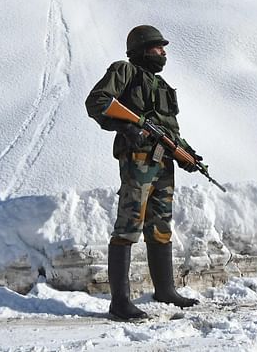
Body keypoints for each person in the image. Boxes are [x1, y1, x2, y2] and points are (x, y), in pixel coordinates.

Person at [85, 25, 201, 321]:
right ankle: (119, 302)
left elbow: (171, 131)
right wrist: (126, 127)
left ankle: (165, 291)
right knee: (129, 223)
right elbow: (97, 101)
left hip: (163, 162)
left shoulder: (161, 86)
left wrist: (188, 155)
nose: (163, 53)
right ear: (140, 50)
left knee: (161, 225)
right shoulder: (124, 71)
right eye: (157, 48)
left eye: (163, 49)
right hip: (137, 158)